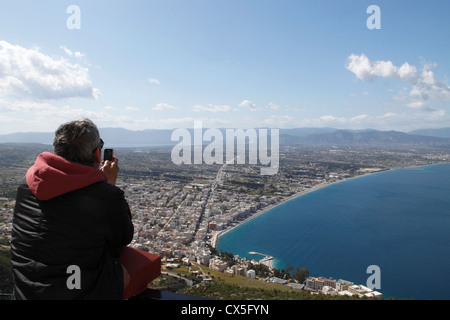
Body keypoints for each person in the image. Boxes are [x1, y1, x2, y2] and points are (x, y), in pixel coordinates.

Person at [11, 118, 134, 299]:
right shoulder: (105, 196)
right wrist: (108, 185)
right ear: (97, 154)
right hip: (76, 291)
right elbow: (123, 237)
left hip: (24, 289)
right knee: (126, 272)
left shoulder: (27, 184)